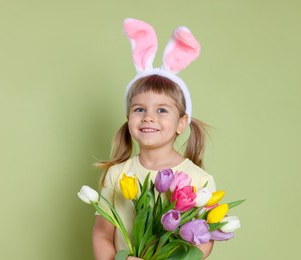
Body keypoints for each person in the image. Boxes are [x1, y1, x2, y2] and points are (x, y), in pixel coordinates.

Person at [92, 18, 216, 260]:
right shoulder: (118, 174)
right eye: (139, 109)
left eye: (161, 110)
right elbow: (102, 234)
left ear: (182, 123)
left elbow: (204, 242)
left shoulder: (199, 180)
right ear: (128, 119)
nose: (148, 117)